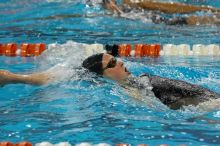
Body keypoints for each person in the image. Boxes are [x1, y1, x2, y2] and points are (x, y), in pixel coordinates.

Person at [1, 53, 220, 110]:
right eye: (113, 64)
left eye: (116, 60)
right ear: (103, 76)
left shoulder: (138, 84)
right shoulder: (134, 86)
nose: (121, 63)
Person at [101, 0, 220, 25]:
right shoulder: (121, 9)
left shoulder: (133, 3)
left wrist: (210, 9)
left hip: (174, 23)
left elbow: (177, 8)